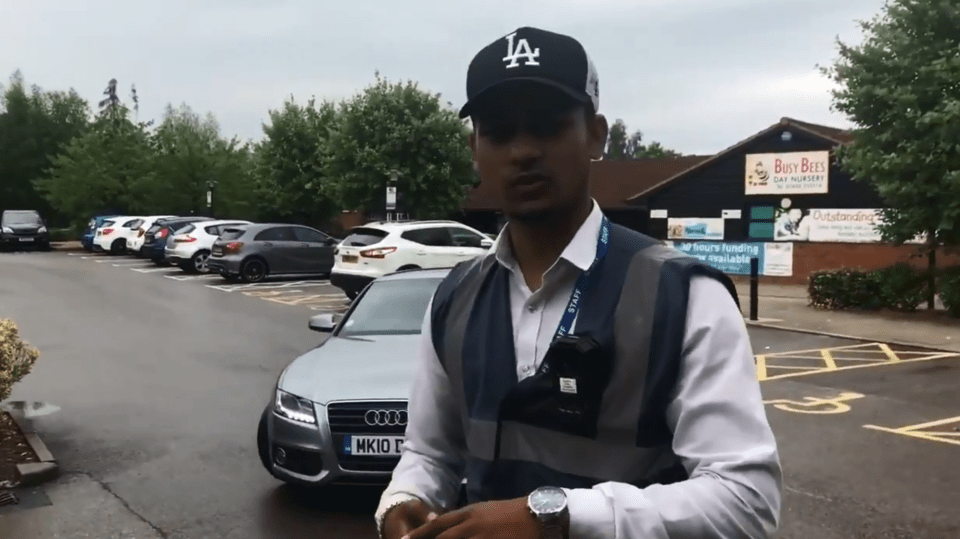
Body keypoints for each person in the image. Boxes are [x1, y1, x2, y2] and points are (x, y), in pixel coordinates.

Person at [375, 26, 782, 539]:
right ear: (475, 148)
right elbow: (428, 453)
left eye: (547, 126)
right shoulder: (453, 298)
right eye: (499, 132)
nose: (522, 151)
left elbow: (747, 501)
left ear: (596, 134)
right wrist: (403, 500)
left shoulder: (685, 296)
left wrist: (556, 517)